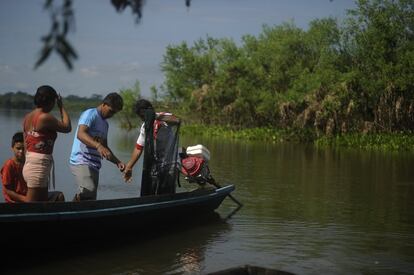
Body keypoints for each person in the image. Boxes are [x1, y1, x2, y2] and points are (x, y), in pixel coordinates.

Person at [70, 92, 125, 201]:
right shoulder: (90, 114)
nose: (111, 115)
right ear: (104, 104)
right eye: (111, 111)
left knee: (90, 200)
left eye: (114, 113)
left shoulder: (105, 124)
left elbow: (105, 148)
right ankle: (69, 210)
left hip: (94, 165)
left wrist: (118, 162)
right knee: (87, 191)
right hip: (81, 161)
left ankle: (75, 211)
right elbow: (80, 134)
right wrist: (98, 146)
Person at [22, 85, 71, 202]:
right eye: (54, 101)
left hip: (31, 162)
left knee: (42, 204)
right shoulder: (44, 117)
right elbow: (67, 127)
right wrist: (61, 107)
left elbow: (26, 144)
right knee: (31, 207)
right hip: (38, 166)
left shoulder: (27, 117)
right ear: (50, 101)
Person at [123, 99, 180, 196]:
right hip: (155, 165)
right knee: (151, 192)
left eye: (143, 115)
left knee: (166, 192)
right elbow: (138, 148)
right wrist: (129, 167)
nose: (142, 118)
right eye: (140, 117)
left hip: (170, 164)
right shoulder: (145, 126)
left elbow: (176, 120)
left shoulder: (163, 118)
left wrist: (155, 116)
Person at [1, 132, 65, 203]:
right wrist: (25, 199)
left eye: (23, 148)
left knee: (59, 196)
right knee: (32, 202)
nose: (21, 151)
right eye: (18, 148)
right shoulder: (9, 165)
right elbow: (7, 190)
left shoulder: (30, 162)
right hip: (16, 201)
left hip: (31, 196)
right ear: (12, 148)